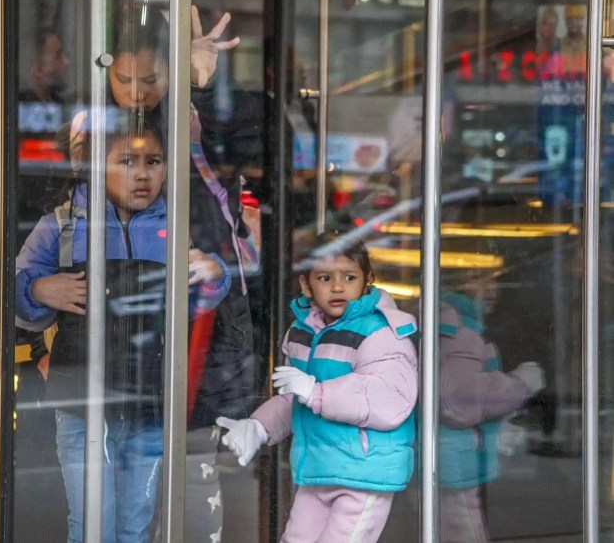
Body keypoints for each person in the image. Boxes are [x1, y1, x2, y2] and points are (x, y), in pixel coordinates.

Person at [15, 109, 231, 543]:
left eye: (153, 161)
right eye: (126, 162)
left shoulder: (178, 225)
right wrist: (37, 291)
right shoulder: (63, 225)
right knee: (92, 525)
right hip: (82, 403)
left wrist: (214, 272)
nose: (142, 175)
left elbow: (197, 303)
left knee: (136, 524)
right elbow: (17, 300)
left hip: (151, 400)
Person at [106, 2, 263, 541]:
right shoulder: (126, 138)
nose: (137, 91)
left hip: (214, 308)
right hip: (162, 318)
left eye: (151, 79)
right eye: (124, 79)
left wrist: (197, 88)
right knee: (152, 470)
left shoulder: (189, 121)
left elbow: (249, 141)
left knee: (193, 465)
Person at [217, 231, 419, 543]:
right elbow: (296, 398)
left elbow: (390, 401)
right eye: (324, 277)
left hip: (363, 473)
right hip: (318, 468)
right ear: (305, 285)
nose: (337, 286)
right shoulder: (303, 332)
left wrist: (317, 392)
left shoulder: (381, 331)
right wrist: (259, 427)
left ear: (367, 281)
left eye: (349, 277)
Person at [438, 240, 546, 542]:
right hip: (452, 463)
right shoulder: (460, 333)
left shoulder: (446, 323)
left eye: (494, 278)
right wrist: (520, 383)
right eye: (477, 277)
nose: (490, 288)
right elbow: (457, 401)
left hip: (444, 458)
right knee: (466, 532)